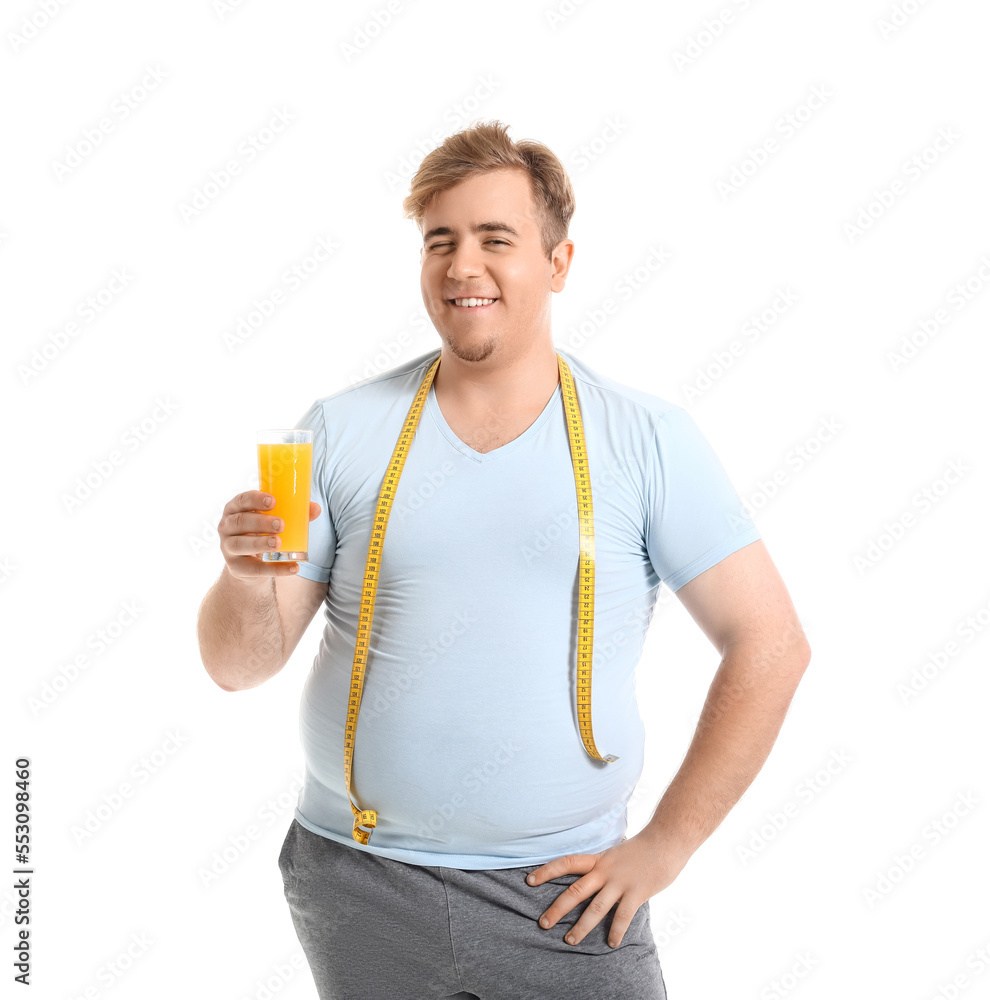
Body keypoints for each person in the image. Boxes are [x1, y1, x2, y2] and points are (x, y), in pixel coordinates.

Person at [197, 120, 811, 1000]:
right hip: (355, 883)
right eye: (439, 241)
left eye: (496, 239)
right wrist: (246, 575)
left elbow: (772, 643)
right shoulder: (340, 430)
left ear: (558, 263)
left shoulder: (646, 440)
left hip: (566, 898)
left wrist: (665, 848)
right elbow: (236, 667)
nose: (461, 267)